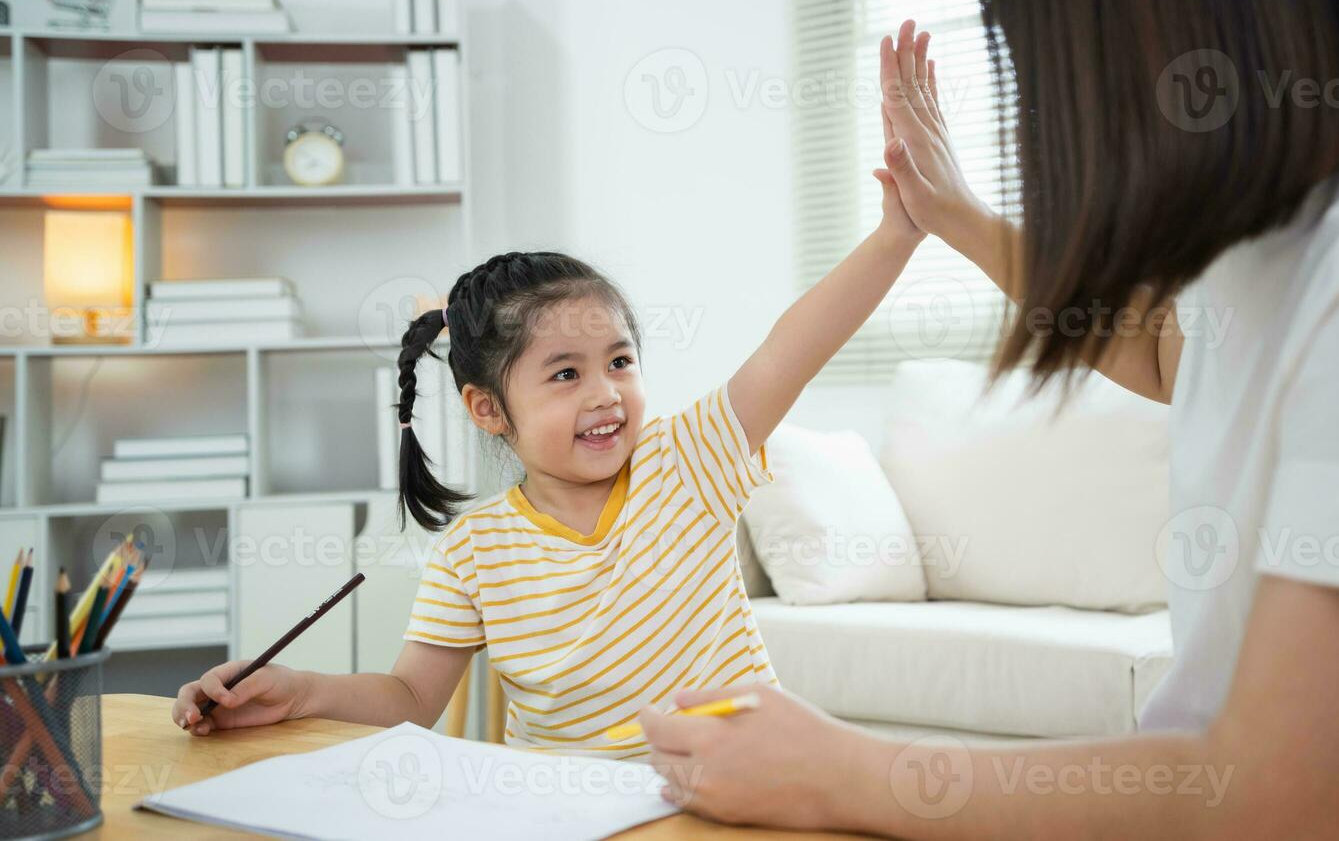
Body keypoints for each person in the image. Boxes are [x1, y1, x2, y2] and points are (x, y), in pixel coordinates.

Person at [641, 0, 1339, 838]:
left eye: (1043, 51)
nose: (1048, 101)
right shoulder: (1264, 238)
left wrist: (847, 771)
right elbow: (1166, 358)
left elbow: (1274, 797)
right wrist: (951, 214)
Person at [172, 197, 926, 757]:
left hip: (741, 782)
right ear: (489, 409)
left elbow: (790, 346)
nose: (604, 393)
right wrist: (302, 690)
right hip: (569, 811)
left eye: (620, 362)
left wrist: (899, 232)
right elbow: (410, 697)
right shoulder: (475, 550)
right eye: (565, 374)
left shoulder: (688, 461)